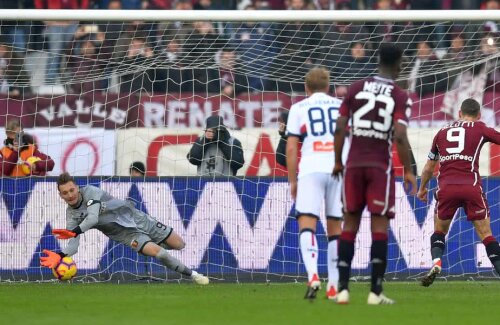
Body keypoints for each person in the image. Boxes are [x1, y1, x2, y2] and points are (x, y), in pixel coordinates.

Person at [332, 43, 417, 305]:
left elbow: (340, 127)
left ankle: (343, 290)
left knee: (350, 225)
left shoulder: (355, 88)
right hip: (380, 167)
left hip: (353, 164)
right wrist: (409, 171)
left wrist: (338, 161)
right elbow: (400, 136)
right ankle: (375, 292)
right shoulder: (400, 95)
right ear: (399, 64)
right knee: (379, 226)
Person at [40, 172, 209, 285]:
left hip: (137, 218)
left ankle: (155, 243)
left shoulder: (91, 192)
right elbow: (73, 245)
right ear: (60, 195)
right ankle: (194, 275)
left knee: (179, 245)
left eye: (71, 190)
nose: (70, 195)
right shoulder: (72, 216)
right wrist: (62, 255)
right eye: (65, 193)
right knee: (160, 253)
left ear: (77, 187)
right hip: (127, 234)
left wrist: (75, 231)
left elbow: (93, 217)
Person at [417, 98, 500, 286]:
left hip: (446, 188)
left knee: (439, 230)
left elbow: (429, 167)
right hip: (471, 187)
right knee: (486, 234)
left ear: (459, 114)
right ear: (479, 115)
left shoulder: (441, 132)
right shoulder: (480, 128)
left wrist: (422, 188)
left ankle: (437, 262)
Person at [286, 67, 347, 300]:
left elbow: (291, 147)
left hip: (311, 169)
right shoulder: (342, 107)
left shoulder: (298, 108)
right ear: (329, 86)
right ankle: (333, 284)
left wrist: (293, 180)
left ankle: (312, 275)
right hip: (337, 168)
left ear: (306, 87)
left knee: (306, 223)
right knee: (335, 227)